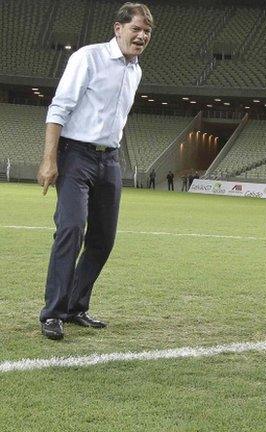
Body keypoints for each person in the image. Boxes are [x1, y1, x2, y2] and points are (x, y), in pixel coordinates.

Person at [36, 2, 153, 340]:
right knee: (71, 230)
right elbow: (59, 107)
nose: (142, 36)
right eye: (136, 29)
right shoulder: (88, 58)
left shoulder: (136, 70)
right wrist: (49, 158)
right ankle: (53, 313)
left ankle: (76, 307)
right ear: (118, 28)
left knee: (103, 239)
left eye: (147, 31)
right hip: (75, 155)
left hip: (110, 160)